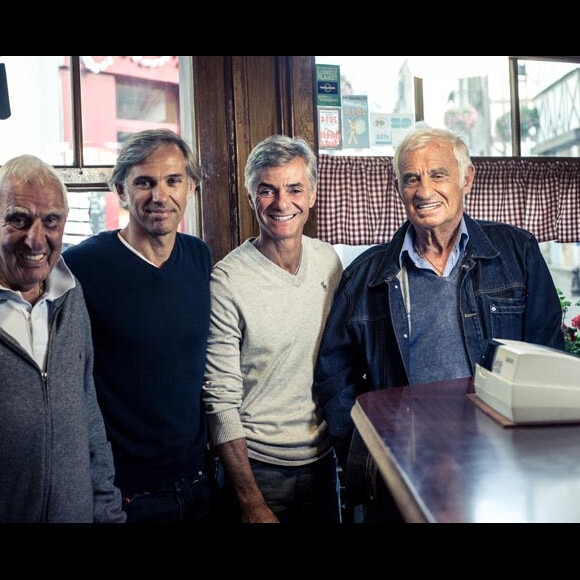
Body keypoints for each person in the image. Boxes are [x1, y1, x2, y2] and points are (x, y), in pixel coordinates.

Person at [314, 127, 565, 516]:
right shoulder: (364, 276)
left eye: (438, 174)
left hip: (504, 467)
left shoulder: (519, 253)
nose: (424, 190)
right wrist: (368, 459)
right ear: (398, 189)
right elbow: (334, 377)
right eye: (411, 178)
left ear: (467, 178)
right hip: (404, 474)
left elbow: (547, 358)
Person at [63, 130, 213, 524]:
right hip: (127, 495)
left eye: (173, 180)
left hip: (200, 484)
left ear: (191, 188)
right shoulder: (82, 266)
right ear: (121, 190)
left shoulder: (199, 257)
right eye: (144, 182)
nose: (160, 196)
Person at [203, 136, 344, 524]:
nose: (282, 203)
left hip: (322, 462)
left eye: (294, 188)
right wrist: (249, 500)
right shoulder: (227, 280)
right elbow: (219, 401)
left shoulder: (328, 262)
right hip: (256, 471)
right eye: (267, 190)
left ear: (312, 194)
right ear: (251, 198)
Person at [0, 155, 125, 523]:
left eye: (51, 221)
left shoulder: (71, 294)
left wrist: (108, 513)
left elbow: (88, 413)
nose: (35, 238)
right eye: (18, 219)